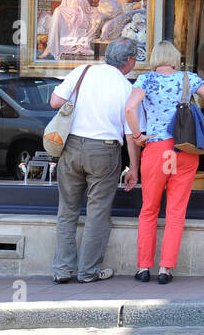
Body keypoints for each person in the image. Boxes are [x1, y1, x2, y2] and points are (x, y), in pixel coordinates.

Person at [126, 40, 204, 284]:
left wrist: (138, 136)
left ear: (154, 58)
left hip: (156, 149)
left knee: (149, 209)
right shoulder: (188, 79)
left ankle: (143, 267)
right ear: (174, 58)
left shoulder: (146, 80)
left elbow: (130, 108)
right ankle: (165, 269)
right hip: (184, 149)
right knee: (176, 211)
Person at [48, 37, 140, 284]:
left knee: (67, 210)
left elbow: (55, 102)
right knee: (97, 213)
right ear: (129, 61)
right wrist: (134, 167)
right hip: (104, 151)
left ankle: (62, 270)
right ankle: (88, 272)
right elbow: (131, 135)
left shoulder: (83, 70)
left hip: (72, 145)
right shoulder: (127, 88)